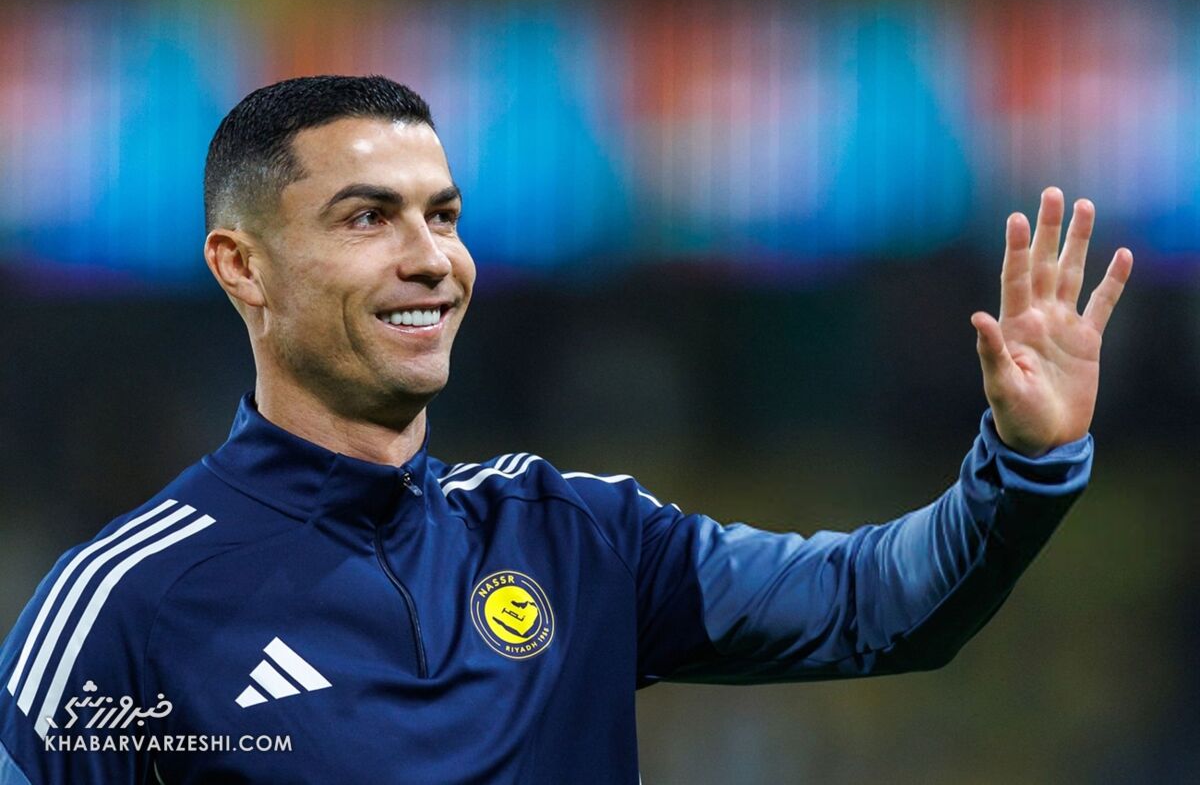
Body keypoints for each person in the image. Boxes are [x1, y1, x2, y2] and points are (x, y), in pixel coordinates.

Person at [0, 75, 1132, 784]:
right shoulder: (123, 607)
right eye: (368, 218)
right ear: (242, 266)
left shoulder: (573, 536)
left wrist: (1024, 464)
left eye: (443, 216)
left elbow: (879, 603)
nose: (431, 258)